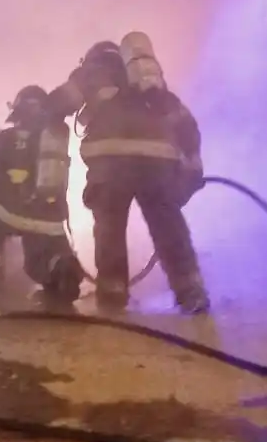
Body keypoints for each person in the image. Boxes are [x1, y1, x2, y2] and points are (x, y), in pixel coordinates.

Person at [71, 36, 209, 314]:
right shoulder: (151, 89)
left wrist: (34, 110)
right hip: (156, 165)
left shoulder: (93, 76)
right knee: (169, 228)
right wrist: (192, 171)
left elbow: (59, 103)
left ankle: (112, 295)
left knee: (109, 229)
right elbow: (185, 124)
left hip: (111, 167)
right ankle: (190, 292)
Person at [0, 85, 85, 311]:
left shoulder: (5, 137)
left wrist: (6, 187)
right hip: (48, 217)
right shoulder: (55, 138)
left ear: (17, 111)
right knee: (43, 258)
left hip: (7, 213)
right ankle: (63, 270)